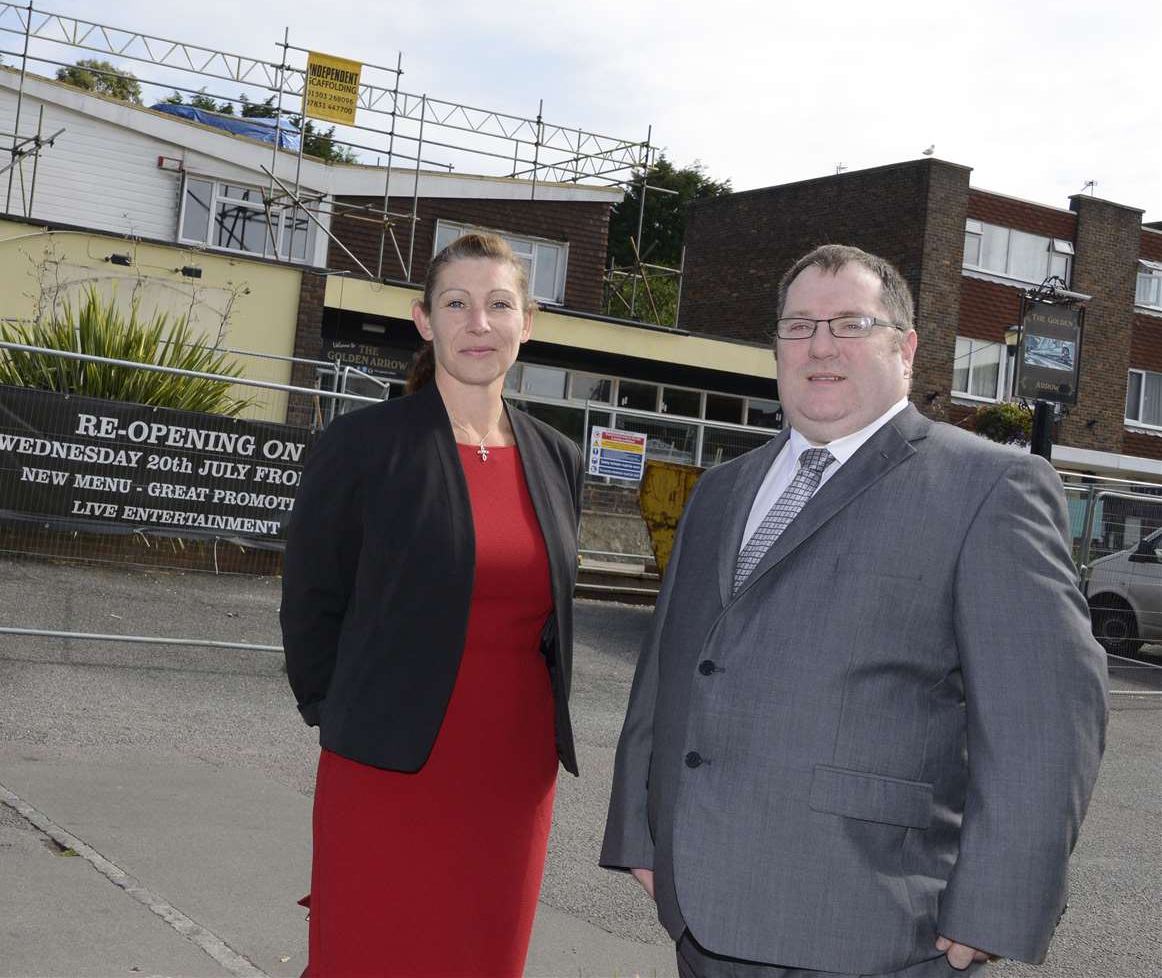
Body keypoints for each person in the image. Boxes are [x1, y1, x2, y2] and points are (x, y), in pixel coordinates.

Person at [600, 244, 1107, 977]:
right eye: (799, 326)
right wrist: (638, 834)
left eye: (850, 324)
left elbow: (1046, 719)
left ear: (905, 349)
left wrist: (999, 901)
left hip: (873, 923)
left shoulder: (991, 488)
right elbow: (668, 673)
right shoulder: (721, 490)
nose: (821, 345)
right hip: (703, 916)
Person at [280, 232, 584, 976]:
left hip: (513, 768)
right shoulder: (363, 445)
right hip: (387, 762)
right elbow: (311, 601)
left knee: (483, 952)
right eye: (457, 303)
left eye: (498, 304)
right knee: (369, 949)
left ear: (527, 323)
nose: (478, 323)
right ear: (424, 321)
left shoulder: (557, 456)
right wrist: (344, 711)